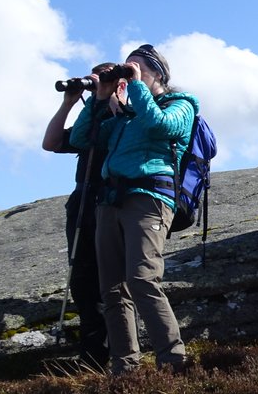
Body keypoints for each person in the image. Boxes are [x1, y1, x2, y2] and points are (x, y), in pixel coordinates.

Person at [70, 44, 195, 374]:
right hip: (110, 202)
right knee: (111, 289)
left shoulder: (181, 105)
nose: (128, 74)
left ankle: (173, 362)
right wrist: (100, 97)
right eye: (127, 69)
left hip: (149, 199)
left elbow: (160, 126)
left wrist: (135, 85)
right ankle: (124, 369)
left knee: (142, 279)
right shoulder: (123, 119)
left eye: (136, 69)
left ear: (158, 75)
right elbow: (84, 138)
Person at [42, 62, 117, 369]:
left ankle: (109, 354)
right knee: (83, 279)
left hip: (111, 199)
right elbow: (51, 142)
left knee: (108, 278)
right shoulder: (93, 119)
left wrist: (110, 95)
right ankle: (92, 357)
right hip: (83, 198)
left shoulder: (122, 117)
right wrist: (69, 103)